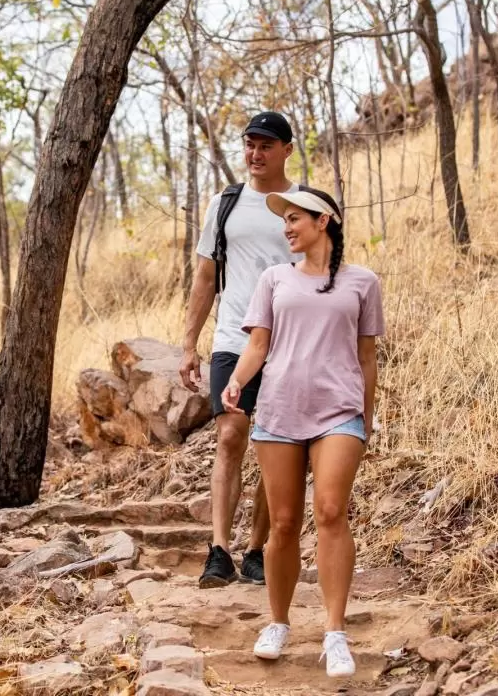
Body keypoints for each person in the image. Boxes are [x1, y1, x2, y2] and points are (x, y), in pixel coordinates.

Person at [221, 187, 384, 678]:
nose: (287, 227)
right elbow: (257, 345)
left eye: (295, 218)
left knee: (332, 511)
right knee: (285, 523)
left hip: (339, 411)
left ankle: (335, 632)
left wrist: (367, 418)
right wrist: (236, 380)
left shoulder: (363, 282)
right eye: (284, 220)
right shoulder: (274, 279)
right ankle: (279, 621)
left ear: (325, 220)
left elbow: (368, 356)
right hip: (279, 410)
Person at [179, 111, 303, 589]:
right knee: (231, 434)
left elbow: (318, 273)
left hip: (287, 343)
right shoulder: (224, 204)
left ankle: (256, 551)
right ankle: (218, 551)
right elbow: (205, 277)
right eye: (250, 144)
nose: (255, 153)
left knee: (275, 446)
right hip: (233, 338)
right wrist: (190, 344)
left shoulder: (302, 204)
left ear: (287, 150)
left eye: (266, 145)